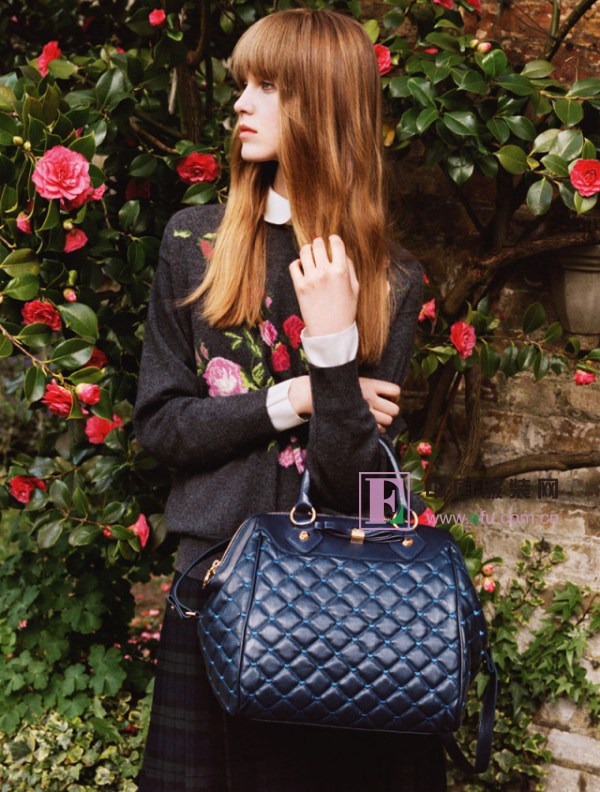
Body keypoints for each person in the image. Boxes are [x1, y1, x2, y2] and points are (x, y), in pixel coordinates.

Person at [133, 8, 447, 791]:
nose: (241, 103)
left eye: (268, 86)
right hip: (214, 590)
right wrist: (299, 396)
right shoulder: (195, 245)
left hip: (346, 605)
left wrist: (336, 344)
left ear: (324, 105)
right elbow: (163, 426)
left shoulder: (390, 279)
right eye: (243, 83)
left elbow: (361, 489)